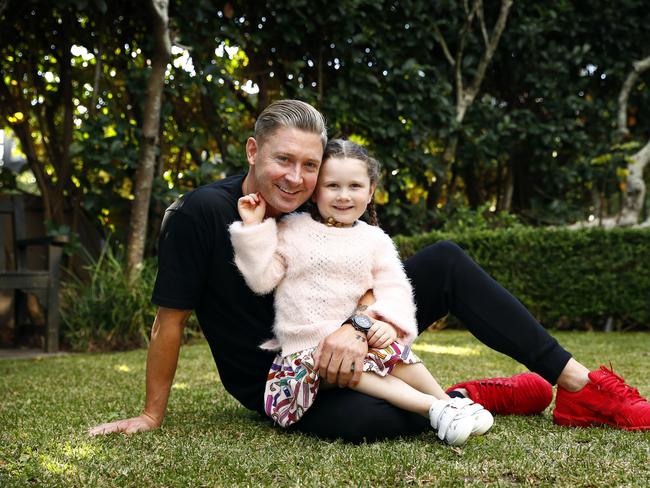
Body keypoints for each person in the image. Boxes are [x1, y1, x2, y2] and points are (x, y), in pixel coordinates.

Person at [89, 99, 650, 442]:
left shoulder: (316, 199)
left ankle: (579, 386)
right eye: (283, 160)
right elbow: (170, 320)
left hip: (355, 341)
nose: (296, 178)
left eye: (311, 165)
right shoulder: (203, 213)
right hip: (279, 377)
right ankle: (467, 397)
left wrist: (358, 326)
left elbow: (372, 276)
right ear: (253, 151)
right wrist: (151, 415)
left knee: (445, 259)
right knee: (366, 424)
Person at [229, 139, 494, 446]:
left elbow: (395, 288)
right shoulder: (292, 230)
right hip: (302, 360)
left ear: (370, 192)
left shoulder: (375, 240)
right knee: (358, 360)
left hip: (355, 343)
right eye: (332, 186)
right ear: (316, 192)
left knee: (391, 351)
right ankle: (434, 408)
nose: (343, 196)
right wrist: (252, 228)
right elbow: (261, 278)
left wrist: (386, 322)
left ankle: (449, 403)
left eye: (354, 186)